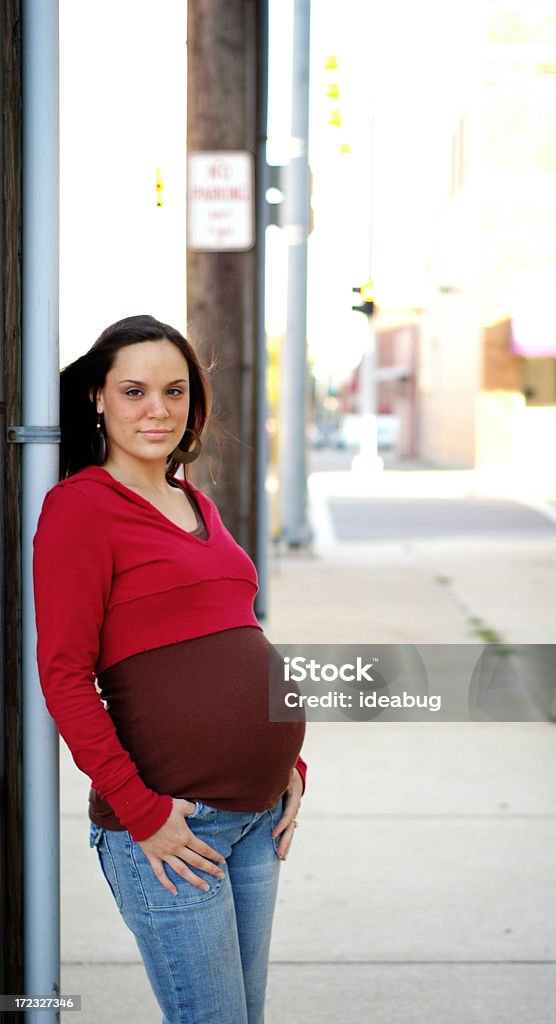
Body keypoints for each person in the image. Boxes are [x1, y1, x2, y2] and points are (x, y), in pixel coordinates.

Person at [32, 314, 307, 1024]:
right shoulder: (80, 509)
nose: (157, 409)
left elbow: (237, 634)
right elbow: (64, 677)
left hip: (255, 817)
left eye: (174, 391)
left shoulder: (194, 502)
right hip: (177, 828)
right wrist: (142, 812)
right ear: (96, 397)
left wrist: (289, 764)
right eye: (134, 391)